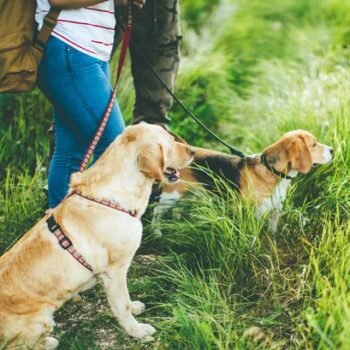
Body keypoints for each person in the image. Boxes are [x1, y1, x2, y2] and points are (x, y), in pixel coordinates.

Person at [36, 0, 144, 208]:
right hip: (70, 46)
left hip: (87, 52)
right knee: (116, 148)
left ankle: (59, 232)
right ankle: (90, 225)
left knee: (72, 152)